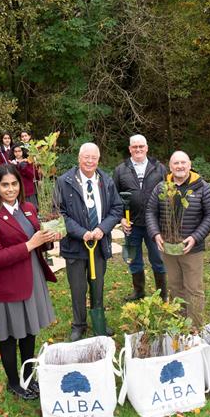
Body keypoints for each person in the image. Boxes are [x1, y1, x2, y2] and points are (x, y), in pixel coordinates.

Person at [0, 165, 58, 399]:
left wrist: (49, 239)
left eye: (14, 184)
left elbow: (38, 242)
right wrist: (30, 245)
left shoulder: (29, 208)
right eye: (5, 185)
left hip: (32, 277)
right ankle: (14, 382)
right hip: (8, 283)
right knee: (11, 335)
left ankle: (29, 376)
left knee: (30, 329)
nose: (10, 189)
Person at [55, 143, 122, 340]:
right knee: (78, 287)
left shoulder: (106, 180)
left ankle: (98, 322)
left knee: (97, 285)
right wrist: (81, 232)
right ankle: (79, 325)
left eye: (94, 157)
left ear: (98, 159)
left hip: (99, 245)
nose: (90, 161)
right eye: (86, 157)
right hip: (75, 246)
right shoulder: (64, 181)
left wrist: (103, 228)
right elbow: (59, 213)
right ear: (79, 158)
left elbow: (117, 209)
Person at [145, 151, 210, 326]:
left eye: (183, 163)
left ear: (189, 165)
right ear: (170, 167)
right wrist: (155, 234)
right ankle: (178, 325)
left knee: (193, 289)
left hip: (192, 248)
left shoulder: (202, 187)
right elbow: (150, 212)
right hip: (169, 248)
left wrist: (195, 237)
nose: (180, 166)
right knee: (175, 287)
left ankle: (195, 329)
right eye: (176, 163)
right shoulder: (162, 187)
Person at [112, 134, 167, 301]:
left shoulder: (159, 168)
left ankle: (162, 294)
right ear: (129, 149)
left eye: (141, 146)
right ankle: (139, 291)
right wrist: (121, 219)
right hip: (131, 224)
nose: (138, 149)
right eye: (134, 147)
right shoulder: (120, 170)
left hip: (154, 225)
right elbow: (114, 198)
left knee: (158, 259)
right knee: (134, 258)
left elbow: (168, 195)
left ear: (147, 148)